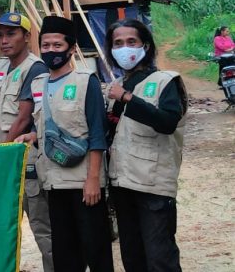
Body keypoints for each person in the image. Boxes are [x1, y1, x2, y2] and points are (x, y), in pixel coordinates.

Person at [15, 16, 113, 272]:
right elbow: (51, 126)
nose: (51, 51)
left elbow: (97, 133)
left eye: (57, 46)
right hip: (53, 181)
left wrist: (93, 179)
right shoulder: (39, 83)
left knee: (96, 248)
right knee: (65, 252)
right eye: (45, 45)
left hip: (82, 182)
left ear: (71, 48)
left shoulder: (85, 81)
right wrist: (33, 136)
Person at [105, 18, 187, 272]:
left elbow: (167, 122)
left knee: (160, 257)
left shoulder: (165, 80)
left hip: (153, 185)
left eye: (132, 42)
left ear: (146, 46)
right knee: (133, 256)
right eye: (118, 43)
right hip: (122, 183)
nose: (125, 48)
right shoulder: (116, 86)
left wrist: (128, 99)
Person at [0, 12, 54, 271]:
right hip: (3, 160)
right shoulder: (0, 67)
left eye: (10, 34)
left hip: (25, 160)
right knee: (2, 228)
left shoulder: (35, 68)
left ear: (26, 36)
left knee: (42, 229)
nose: (3, 41)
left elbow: (23, 118)